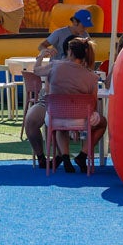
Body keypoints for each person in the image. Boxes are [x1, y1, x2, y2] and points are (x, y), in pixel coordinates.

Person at [45, 36, 107, 174]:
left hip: (56, 116)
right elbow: (93, 102)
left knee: (59, 126)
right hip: (82, 119)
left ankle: (65, 158)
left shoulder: (55, 68)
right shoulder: (92, 77)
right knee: (102, 123)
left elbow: (48, 92)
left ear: (70, 52)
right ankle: (83, 155)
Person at [22, 41, 59, 167]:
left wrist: (41, 57)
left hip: (65, 102)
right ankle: (41, 158)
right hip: (47, 100)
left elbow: (37, 71)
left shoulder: (79, 66)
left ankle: (68, 155)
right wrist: (41, 57)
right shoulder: (54, 64)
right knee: (30, 120)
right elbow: (37, 71)